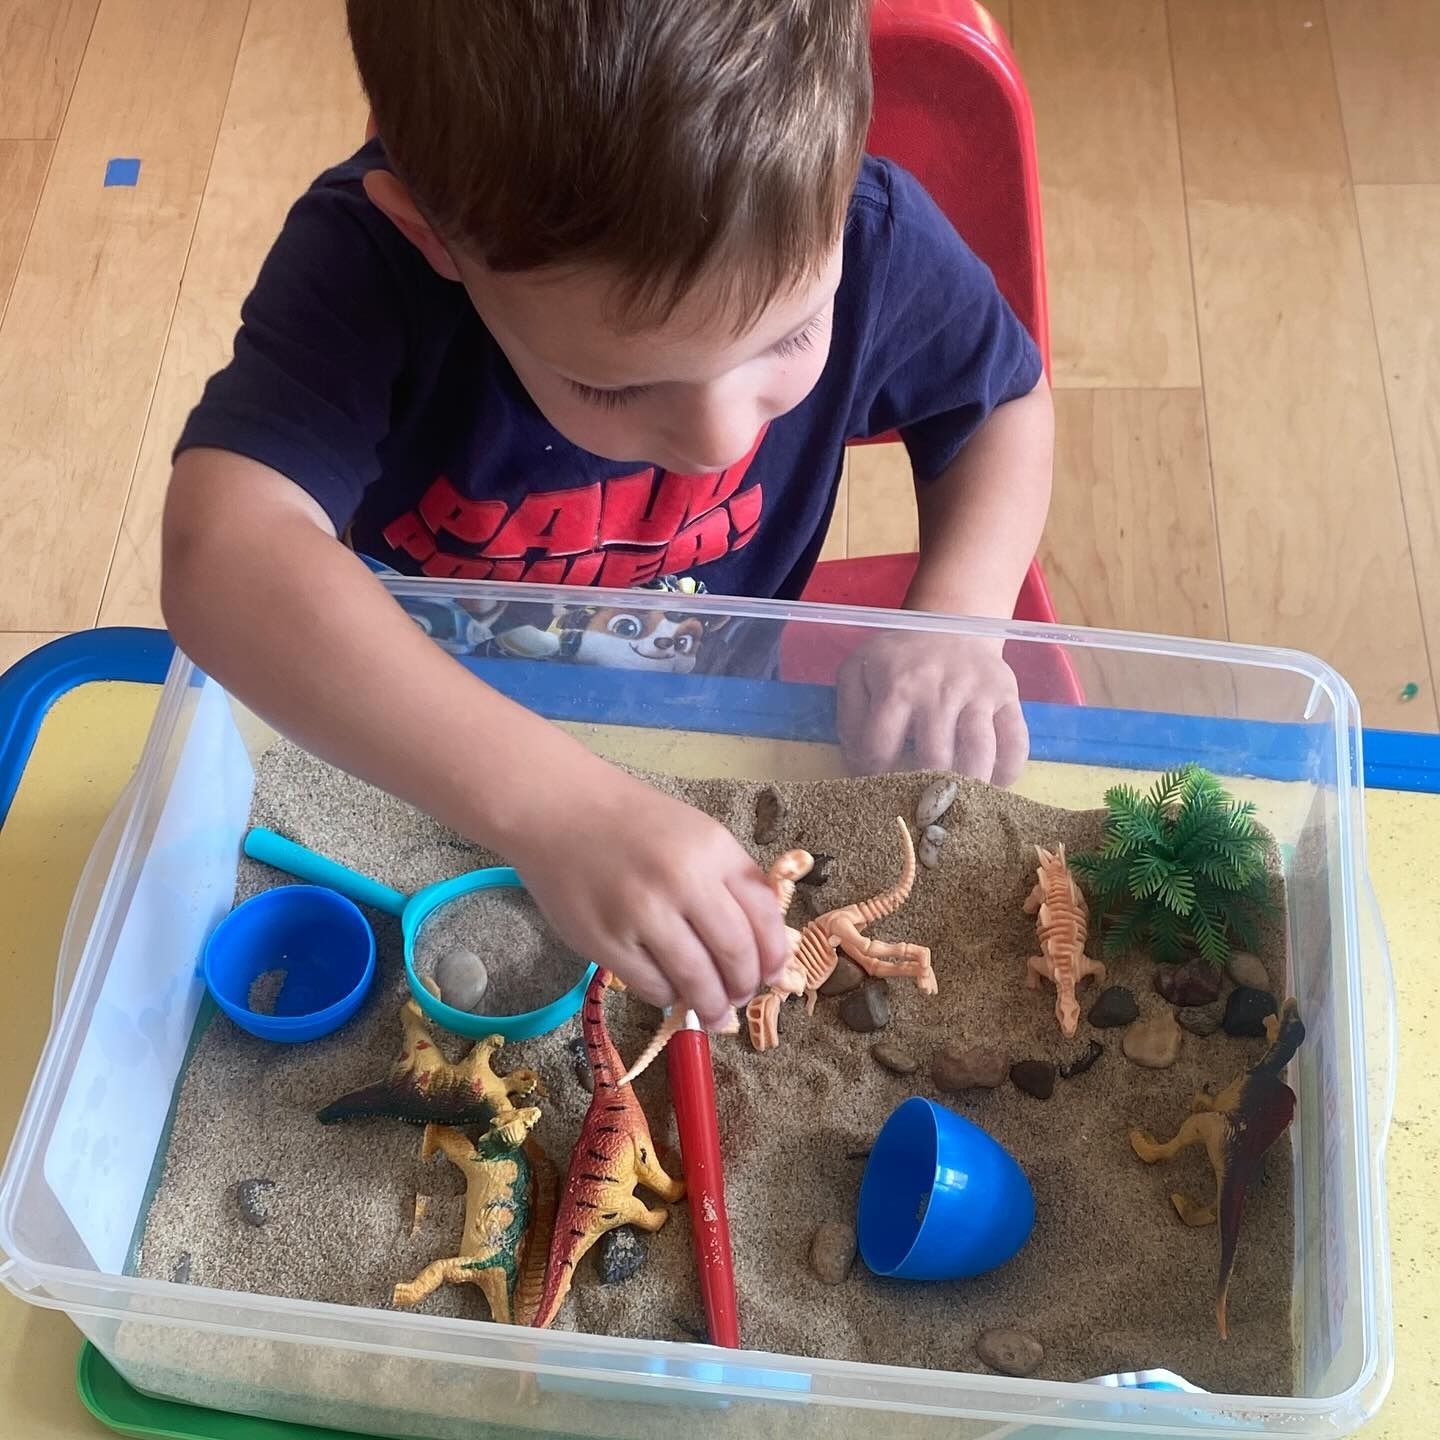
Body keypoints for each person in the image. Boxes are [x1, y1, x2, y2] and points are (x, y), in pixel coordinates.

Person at [160, 0, 1054, 1031]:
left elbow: (1000, 406)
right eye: (614, 388)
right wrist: (552, 807)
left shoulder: (872, 229)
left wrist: (953, 617)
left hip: (714, 717)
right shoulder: (368, 277)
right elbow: (221, 552)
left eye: (792, 336)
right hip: (414, 730)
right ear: (435, 238)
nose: (722, 437)